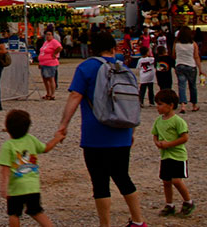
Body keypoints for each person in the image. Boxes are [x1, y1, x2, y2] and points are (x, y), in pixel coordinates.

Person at [57, 31, 146, 227]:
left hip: (95, 135)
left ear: (91, 49)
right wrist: (132, 132)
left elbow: (75, 97)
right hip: (123, 133)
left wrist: (63, 125)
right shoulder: (124, 69)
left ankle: (105, 224)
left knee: (100, 183)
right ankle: (138, 221)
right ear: (114, 48)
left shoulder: (86, 68)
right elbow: (131, 104)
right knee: (123, 177)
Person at [0, 109, 65, 227]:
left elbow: (5, 170)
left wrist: (4, 188)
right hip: (33, 186)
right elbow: (46, 148)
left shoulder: (7, 146)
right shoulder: (31, 139)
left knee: (14, 214)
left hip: (16, 188)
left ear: (7, 128)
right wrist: (57, 138)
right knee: (36, 212)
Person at [151, 89, 195, 217]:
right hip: (165, 156)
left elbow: (184, 137)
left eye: (160, 104)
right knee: (166, 181)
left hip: (178, 156)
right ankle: (169, 204)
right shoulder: (159, 121)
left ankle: (188, 201)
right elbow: (154, 134)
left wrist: (168, 144)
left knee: (177, 181)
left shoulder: (178, 121)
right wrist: (157, 142)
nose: (157, 107)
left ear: (170, 105)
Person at [174, 27, 203, 114]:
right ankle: (194, 105)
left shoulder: (176, 44)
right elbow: (196, 56)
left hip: (179, 65)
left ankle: (183, 105)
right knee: (192, 86)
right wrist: (200, 69)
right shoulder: (193, 44)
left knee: (181, 85)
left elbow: (173, 54)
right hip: (191, 66)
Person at [37, 30, 62, 100]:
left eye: (49, 34)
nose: (47, 36)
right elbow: (42, 52)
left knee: (50, 78)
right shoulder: (45, 43)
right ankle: (48, 93)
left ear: (52, 35)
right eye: (46, 35)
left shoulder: (54, 42)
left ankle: (52, 94)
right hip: (43, 62)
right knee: (45, 79)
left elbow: (59, 47)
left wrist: (54, 54)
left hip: (50, 62)